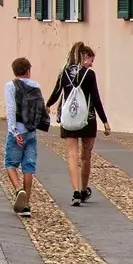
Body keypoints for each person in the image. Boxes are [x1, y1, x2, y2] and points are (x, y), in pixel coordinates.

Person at [48, 43, 108, 205]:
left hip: (69, 119)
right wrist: (105, 121)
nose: (92, 64)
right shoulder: (89, 74)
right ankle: (83, 189)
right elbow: (95, 99)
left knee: (72, 155)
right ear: (84, 57)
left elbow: (56, 93)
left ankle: (75, 192)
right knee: (86, 156)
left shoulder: (64, 73)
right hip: (87, 119)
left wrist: (47, 105)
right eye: (91, 60)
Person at [5, 57, 49, 217]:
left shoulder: (10, 86)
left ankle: (18, 189)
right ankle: (26, 206)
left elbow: (11, 109)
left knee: (10, 164)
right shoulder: (35, 85)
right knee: (28, 167)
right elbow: (40, 107)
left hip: (17, 130)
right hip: (31, 131)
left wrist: (14, 131)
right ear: (28, 71)